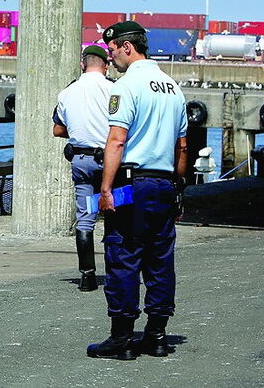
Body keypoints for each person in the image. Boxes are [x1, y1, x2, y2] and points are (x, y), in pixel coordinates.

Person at [87, 21, 188, 361]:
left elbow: (117, 139)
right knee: (160, 259)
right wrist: (178, 190)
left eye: (113, 49)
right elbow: (182, 147)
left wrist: (105, 189)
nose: (111, 56)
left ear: (127, 47)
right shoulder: (173, 88)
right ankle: (157, 335)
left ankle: (121, 338)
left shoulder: (127, 85)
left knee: (124, 256)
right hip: (164, 182)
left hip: (133, 182)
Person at [53, 45, 113, 292]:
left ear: (82, 65)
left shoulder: (67, 93)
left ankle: (87, 276)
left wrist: (79, 132)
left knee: (85, 218)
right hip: (108, 161)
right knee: (115, 213)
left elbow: (57, 129)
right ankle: (116, 272)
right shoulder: (114, 89)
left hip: (81, 163)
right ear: (105, 65)